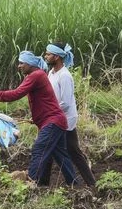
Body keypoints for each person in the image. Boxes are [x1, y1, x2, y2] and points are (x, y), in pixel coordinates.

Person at [0, 51, 78, 186]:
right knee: (61, 156)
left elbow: (16, 94)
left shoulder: (36, 75)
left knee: (39, 148)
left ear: (30, 64)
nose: (19, 66)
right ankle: (74, 185)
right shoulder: (37, 75)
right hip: (55, 120)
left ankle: (30, 181)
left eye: (22, 63)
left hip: (53, 121)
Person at [41, 41, 96, 186]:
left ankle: (84, 183)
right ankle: (44, 183)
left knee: (62, 150)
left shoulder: (64, 76)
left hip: (64, 119)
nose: (45, 56)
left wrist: (48, 113)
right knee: (64, 150)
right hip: (55, 117)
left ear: (57, 57)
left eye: (48, 54)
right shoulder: (51, 73)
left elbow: (65, 103)